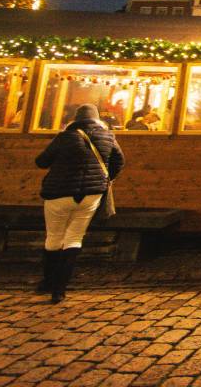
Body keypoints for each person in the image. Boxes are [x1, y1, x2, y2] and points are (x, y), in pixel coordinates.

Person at [34, 104, 124, 303]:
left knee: (54, 238)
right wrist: (106, 179)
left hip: (60, 191)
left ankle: (48, 281)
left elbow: (41, 161)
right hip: (91, 194)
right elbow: (119, 161)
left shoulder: (65, 136)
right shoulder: (108, 136)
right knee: (75, 238)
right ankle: (60, 289)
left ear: (76, 119)